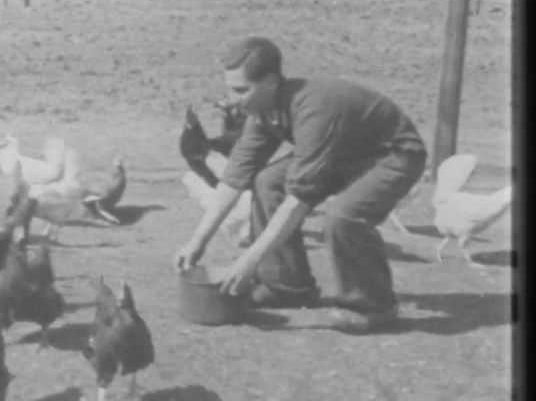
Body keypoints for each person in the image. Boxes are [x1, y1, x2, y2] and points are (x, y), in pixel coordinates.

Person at [174, 36, 427, 329]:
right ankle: (286, 286)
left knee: (343, 215)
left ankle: (373, 306)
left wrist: (249, 261)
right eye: (229, 89)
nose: (232, 98)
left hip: (393, 155)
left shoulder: (315, 108)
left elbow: (298, 200)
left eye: (241, 90)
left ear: (270, 82)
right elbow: (235, 177)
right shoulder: (263, 110)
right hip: (343, 154)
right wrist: (197, 241)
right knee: (268, 181)